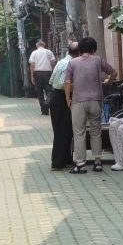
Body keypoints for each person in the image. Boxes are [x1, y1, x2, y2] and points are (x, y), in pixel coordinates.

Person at [64, 37, 116, 173]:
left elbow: (67, 82)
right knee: (96, 131)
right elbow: (114, 72)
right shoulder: (98, 60)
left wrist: (67, 98)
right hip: (95, 101)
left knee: (79, 132)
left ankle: (80, 164)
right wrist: (108, 82)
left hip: (78, 101)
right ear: (93, 49)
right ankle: (98, 162)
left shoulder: (72, 63)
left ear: (80, 50)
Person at [48, 42, 79, 170]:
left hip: (56, 97)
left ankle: (66, 159)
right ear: (78, 53)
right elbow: (62, 83)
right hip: (61, 98)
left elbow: (51, 80)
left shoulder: (61, 62)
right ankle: (57, 162)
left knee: (66, 130)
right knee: (62, 131)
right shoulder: (69, 64)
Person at [28, 40, 56, 115]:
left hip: (37, 73)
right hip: (47, 73)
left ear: (37, 45)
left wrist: (32, 76)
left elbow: (32, 65)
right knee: (49, 91)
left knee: (39, 92)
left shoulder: (34, 53)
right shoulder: (48, 52)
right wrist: (53, 71)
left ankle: (44, 110)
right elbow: (53, 62)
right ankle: (47, 103)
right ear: (44, 44)